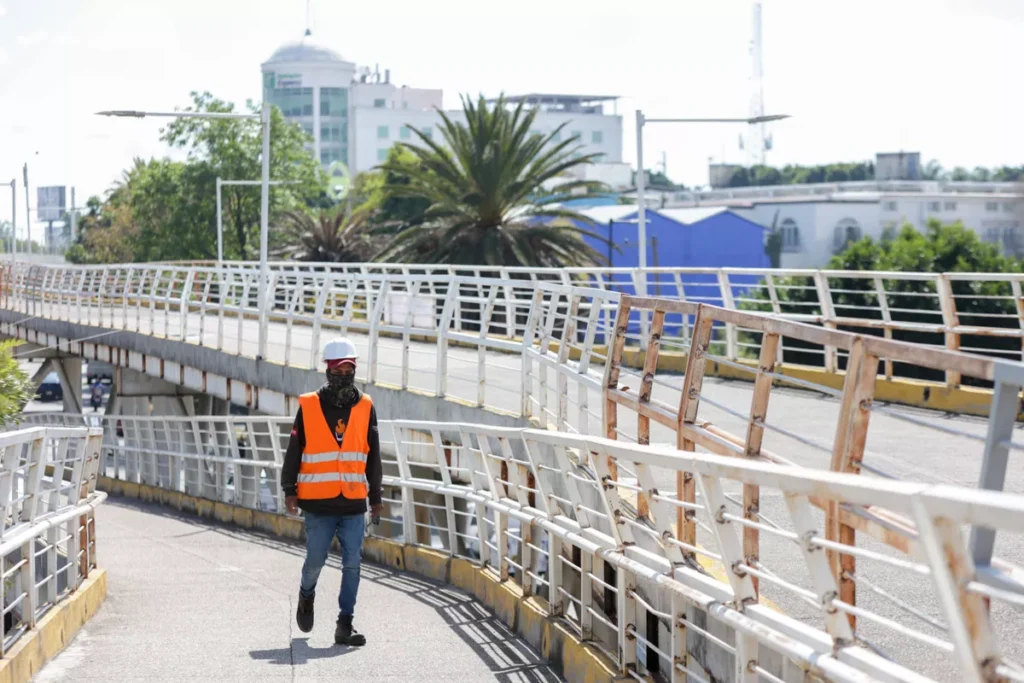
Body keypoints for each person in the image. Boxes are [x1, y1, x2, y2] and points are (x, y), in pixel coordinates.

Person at [281, 338, 383, 647]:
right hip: (318, 501)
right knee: (315, 560)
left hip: (352, 501)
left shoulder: (365, 406)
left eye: (350, 368)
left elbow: (373, 454)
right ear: (328, 370)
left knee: (352, 563)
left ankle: (344, 623)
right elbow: (295, 450)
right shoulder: (310, 405)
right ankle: (306, 595)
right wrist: (290, 489)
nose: (345, 374)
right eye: (339, 369)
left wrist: (375, 496)